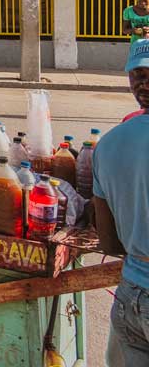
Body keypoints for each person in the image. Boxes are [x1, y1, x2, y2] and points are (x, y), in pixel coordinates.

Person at [92, 38, 149, 366]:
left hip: (129, 297)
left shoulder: (107, 145)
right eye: (138, 74)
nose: (143, 82)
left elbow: (109, 242)